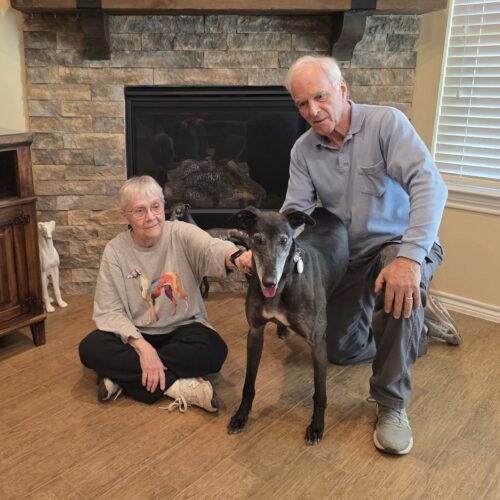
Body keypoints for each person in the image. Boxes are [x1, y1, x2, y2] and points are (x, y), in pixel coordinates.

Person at [238, 55, 459, 455]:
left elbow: (431, 187)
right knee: (337, 347)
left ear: (342, 88)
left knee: (398, 293)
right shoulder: (304, 150)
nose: (313, 110)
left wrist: (410, 259)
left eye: (320, 97)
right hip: (351, 257)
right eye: (302, 104)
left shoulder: (386, 124)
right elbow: (295, 215)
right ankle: (415, 333)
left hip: (401, 245)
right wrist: (265, 249)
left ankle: (391, 404)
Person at [79, 175, 247, 413]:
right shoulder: (115, 251)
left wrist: (237, 256)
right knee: (90, 348)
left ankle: (122, 378)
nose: (151, 217)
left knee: (214, 351)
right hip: (134, 334)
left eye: (156, 207)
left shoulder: (182, 233)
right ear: (124, 216)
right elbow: (109, 310)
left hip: (183, 330)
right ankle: (179, 387)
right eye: (140, 210)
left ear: (163, 206)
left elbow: (211, 248)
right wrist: (143, 348)